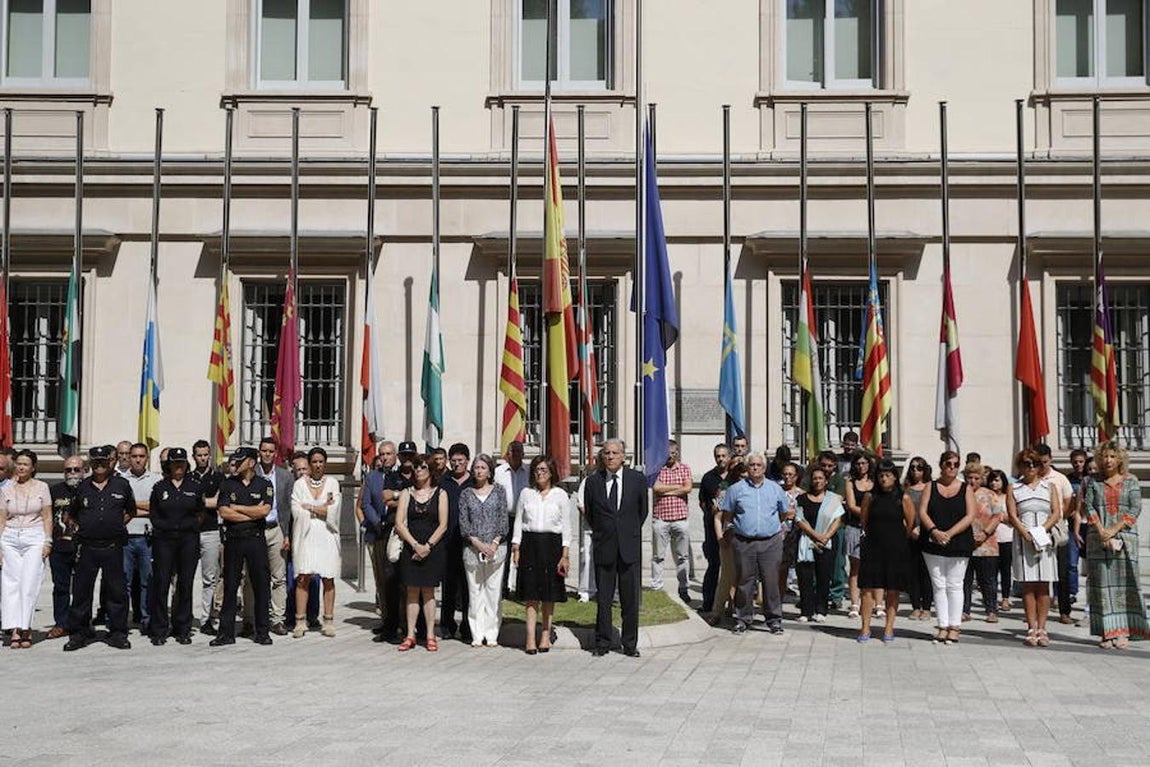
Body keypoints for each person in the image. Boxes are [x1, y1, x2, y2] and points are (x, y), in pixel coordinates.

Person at [65, 445, 136, 651]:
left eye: (103, 461)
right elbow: (72, 514)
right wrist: (87, 527)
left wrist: (114, 525)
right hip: (87, 547)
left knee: (117, 592)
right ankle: (79, 633)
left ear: (110, 463)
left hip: (113, 546)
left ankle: (117, 633)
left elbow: (130, 511)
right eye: (95, 462)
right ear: (90, 464)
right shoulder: (82, 487)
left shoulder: (122, 485)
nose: (99, 465)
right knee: (81, 592)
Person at [584, 438, 649, 657]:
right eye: (606, 453)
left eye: (614, 453)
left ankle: (629, 644)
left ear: (623, 456)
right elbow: (591, 515)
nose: (610, 457)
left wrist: (626, 531)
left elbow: (642, 512)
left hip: (629, 548)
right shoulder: (593, 482)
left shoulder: (637, 480)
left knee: (630, 600)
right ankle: (602, 642)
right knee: (603, 599)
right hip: (605, 547)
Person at [1084, 442, 1148, 649]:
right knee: (1101, 585)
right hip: (1098, 540)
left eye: (1112, 456)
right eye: (1104, 456)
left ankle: (1123, 631)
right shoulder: (1093, 481)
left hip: (1125, 540)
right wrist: (1102, 530)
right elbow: (1089, 507)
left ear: (1120, 459)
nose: (1108, 460)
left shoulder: (1131, 481)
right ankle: (1106, 631)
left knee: (1126, 584)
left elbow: (1135, 508)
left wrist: (1114, 529)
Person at [721, 452, 792, 635]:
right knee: (744, 582)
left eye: (758, 465)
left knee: (771, 582)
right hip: (744, 541)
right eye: (751, 465)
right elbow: (727, 514)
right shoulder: (735, 489)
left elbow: (784, 513)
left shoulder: (775, 489)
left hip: (770, 542)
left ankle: (774, 619)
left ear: (764, 467)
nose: (755, 468)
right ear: (747, 467)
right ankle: (743, 618)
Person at [210, 447, 275, 647]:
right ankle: (225, 633)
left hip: (255, 539)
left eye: (241, 461)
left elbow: (264, 510)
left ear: (251, 463)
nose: (236, 464)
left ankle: (262, 631)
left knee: (261, 586)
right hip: (234, 539)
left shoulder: (263, 484)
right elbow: (224, 512)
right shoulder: (228, 484)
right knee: (230, 585)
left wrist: (237, 507)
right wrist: (249, 514)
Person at [512, 455, 571, 654]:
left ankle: (545, 635)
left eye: (543, 470)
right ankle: (530, 638)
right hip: (530, 544)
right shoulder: (526, 494)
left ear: (552, 472)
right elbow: (519, 522)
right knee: (530, 595)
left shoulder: (560, 495)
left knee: (548, 594)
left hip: (552, 545)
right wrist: (516, 547)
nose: (539, 473)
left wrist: (565, 554)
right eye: (536, 470)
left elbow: (567, 527)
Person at [917, 450, 976, 645]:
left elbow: (970, 516)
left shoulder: (965, 488)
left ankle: (954, 626)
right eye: (948, 464)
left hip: (958, 542)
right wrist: (934, 531)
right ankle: (942, 625)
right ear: (941, 465)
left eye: (955, 465)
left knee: (955, 585)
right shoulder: (930, 486)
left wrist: (949, 533)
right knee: (938, 585)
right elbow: (922, 512)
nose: (952, 468)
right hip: (932, 541)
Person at [147, 447, 204, 645]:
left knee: (185, 584)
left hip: (188, 539)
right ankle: (160, 629)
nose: (178, 466)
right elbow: (154, 514)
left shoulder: (195, 486)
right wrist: (165, 527)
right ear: (168, 465)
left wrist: (189, 527)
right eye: (174, 463)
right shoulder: (160, 487)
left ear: (186, 465)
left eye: (181, 463)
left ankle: (183, 628)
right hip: (164, 540)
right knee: (161, 583)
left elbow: (200, 512)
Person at [1006, 448, 1061, 648]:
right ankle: (1031, 626)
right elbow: (1012, 514)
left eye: (1034, 464)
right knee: (1028, 585)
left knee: (1044, 584)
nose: (1030, 468)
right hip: (1023, 539)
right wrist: (1025, 533)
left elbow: (1056, 512)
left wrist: (1041, 531)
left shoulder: (1050, 487)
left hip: (1044, 539)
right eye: (1026, 464)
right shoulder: (1014, 488)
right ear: (1020, 466)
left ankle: (1042, 628)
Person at [395, 455, 448, 652]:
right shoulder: (406, 493)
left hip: (433, 549)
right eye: (416, 467)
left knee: (428, 592)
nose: (418, 470)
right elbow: (399, 523)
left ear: (431, 470)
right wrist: (415, 545)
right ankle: (410, 634)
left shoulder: (441, 493)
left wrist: (428, 546)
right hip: (411, 547)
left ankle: (430, 634)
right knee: (411, 592)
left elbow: (443, 524)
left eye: (422, 467)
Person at [0, 450, 52, 648]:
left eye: (26, 464)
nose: (21, 467)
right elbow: (2, 518)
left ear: (33, 467)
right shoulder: (6, 488)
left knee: (29, 583)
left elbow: (47, 516)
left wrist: (48, 541)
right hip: (10, 536)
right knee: (10, 583)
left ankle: (26, 627)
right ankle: (13, 628)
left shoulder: (42, 487)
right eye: (19, 463)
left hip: (34, 536)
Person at [857, 460, 913, 642]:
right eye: (881, 475)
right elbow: (864, 521)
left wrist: (898, 537)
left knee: (893, 589)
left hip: (895, 548)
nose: (884, 479)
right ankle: (865, 627)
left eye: (888, 475)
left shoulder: (903, 497)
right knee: (867, 589)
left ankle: (889, 628)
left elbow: (910, 523)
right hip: (873, 546)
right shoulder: (869, 497)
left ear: (895, 477)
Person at [290, 447, 342, 638]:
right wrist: (322, 508)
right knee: (303, 577)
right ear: (309, 464)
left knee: (328, 578)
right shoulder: (299, 485)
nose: (318, 465)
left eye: (321, 461)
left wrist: (311, 507)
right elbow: (297, 510)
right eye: (314, 462)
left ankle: (328, 621)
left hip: (327, 535)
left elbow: (333, 511)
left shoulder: (333, 484)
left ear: (325, 463)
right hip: (306, 535)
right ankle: (300, 621)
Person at [459, 453, 508, 648]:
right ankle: (477, 633)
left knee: (493, 592)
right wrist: (478, 544)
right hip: (472, 549)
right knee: (475, 592)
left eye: (483, 468)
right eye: (476, 467)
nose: (479, 471)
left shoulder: (499, 491)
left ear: (489, 471)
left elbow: (503, 520)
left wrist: (494, 544)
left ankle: (492, 632)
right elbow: (464, 523)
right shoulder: (466, 494)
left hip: (496, 549)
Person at [249, 437, 292, 636]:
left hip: (276, 529)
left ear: (275, 454)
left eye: (271, 451)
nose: (267, 454)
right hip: (255, 529)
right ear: (259, 452)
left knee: (278, 577)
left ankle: (277, 619)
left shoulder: (285, 476)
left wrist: (287, 535)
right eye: (264, 451)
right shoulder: (250, 473)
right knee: (251, 576)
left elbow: (288, 508)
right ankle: (250, 618)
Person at [793, 467, 844, 623]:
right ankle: (806, 611)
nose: (817, 481)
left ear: (826, 481)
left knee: (823, 576)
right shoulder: (801, 499)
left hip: (826, 543)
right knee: (805, 577)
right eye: (815, 478)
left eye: (820, 478)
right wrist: (816, 536)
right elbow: (799, 519)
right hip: (806, 541)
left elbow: (837, 519)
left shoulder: (833, 499)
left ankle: (821, 609)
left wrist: (826, 537)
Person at [121, 442, 160, 634]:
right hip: (125, 538)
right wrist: (142, 507)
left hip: (147, 538)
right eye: (134, 456)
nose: (137, 459)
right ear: (128, 458)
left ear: (147, 458)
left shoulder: (156, 480)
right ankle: (121, 622)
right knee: (124, 582)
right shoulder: (120, 480)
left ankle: (147, 620)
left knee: (147, 582)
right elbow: (118, 508)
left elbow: (157, 508)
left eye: (141, 456)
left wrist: (132, 507)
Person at [1034, 443, 1075, 624]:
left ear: (1050, 459)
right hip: (1036, 529)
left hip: (1057, 530)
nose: (1041, 466)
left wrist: (1058, 519)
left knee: (1063, 571)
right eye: (1038, 462)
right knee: (1037, 573)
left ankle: (1064, 611)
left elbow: (1069, 503)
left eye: (1044, 462)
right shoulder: (1030, 478)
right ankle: (1036, 611)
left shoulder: (1059, 479)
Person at [438, 442, 474, 642]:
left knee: (468, 586)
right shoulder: (444, 481)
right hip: (447, 542)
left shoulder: (474, 481)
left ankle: (468, 627)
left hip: (469, 542)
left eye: (461, 461)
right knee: (448, 586)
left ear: (467, 461)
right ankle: (447, 625)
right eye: (454, 461)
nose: (457, 465)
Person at [47, 455, 85, 640]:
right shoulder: (53, 491)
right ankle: (61, 623)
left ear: (84, 471)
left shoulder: (89, 490)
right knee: (60, 587)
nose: (72, 473)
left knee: (82, 588)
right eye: (68, 470)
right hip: (59, 547)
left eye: (76, 469)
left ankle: (80, 624)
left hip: (83, 547)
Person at [650, 439, 692, 603]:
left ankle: (683, 588)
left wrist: (666, 490)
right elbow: (656, 488)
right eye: (668, 453)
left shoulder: (685, 468)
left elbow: (687, 488)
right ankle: (656, 587)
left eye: (673, 452)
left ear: (677, 452)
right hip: (661, 519)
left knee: (682, 557)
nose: (671, 456)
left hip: (680, 519)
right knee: (658, 556)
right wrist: (677, 488)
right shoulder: (656, 469)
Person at [358, 440, 393, 631]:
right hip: (378, 531)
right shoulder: (372, 478)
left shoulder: (400, 476)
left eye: (388, 454)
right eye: (382, 454)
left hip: (396, 532)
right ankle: (387, 620)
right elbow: (366, 503)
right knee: (381, 579)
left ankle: (402, 620)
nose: (385, 457)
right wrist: (377, 522)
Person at [962, 463, 1004, 623]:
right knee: (965, 579)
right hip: (965, 544)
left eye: (976, 478)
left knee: (988, 580)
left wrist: (985, 532)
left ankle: (991, 610)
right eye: (969, 478)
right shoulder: (961, 493)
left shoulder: (989, 494)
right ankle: (965, 610)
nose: (972, 481)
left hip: (987, 545)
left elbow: (997, 516)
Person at [189, 440, 224, 635]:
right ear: (193, 457)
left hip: (211, 531)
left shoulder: (218, 477)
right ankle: (185, 618)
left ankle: (207, 619)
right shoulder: (188, 477)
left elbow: (220, 501)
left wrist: (200, 502)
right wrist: (206, 501)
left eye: (205, 454)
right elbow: (187, 503)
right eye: (199, 455)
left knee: (210, 578)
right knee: (185, 576)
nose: (203, 458)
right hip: (190, 532)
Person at [843, 453, 875, 620]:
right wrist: (869, 515)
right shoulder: (850, 483)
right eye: (858, 463)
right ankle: (855, 603)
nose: (861, 466)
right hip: (855, 526)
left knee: (873, 566)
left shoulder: (875, 482)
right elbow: (851, 505)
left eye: (864, 463)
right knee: (855, 567)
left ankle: (875, 602)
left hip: (874, 529)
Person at [698, 443, 730, 613]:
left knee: (732, 568)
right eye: (718, 456)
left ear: (729, 456)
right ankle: (708, 602)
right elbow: (702, 500)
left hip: (731, 529)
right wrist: (709, 513)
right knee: (713, 565)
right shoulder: (708, 477)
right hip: (712, 528)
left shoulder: (735, 476)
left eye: (723, 455)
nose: (720, 459)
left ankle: (732, 605)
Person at [903, 457, 933, 620]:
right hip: (910, 535)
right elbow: (901, 511)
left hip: (928, 534)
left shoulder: (931, 487)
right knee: (912, 572)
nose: (916, 470)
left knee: (927, 572)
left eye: (919, 467)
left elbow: (933, 510)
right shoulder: (905, 489)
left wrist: (925, 528)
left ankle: (927, 607)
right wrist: (909, 529)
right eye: (913, 467)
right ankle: (915, 606)